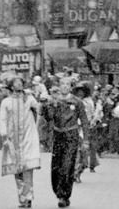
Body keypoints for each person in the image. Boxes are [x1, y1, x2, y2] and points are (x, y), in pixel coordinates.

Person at [0, 75, 42, 209]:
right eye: (16, 83)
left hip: (28, 136)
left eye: (21, 82)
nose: (19, 84)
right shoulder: (6, 102)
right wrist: (4, 135)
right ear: (11, 86)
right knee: (17, 168)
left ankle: (28, 197)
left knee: (28, 168)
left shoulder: (29, 98)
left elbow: (39, 109)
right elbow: (2, 119)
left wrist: (39, 97)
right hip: (13, 138)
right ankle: (22, 197)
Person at [49, 79, 91, 209]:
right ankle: (58, 191)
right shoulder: (54, 101)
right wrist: (46, 105)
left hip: (71, 136)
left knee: (67, 166)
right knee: (56, 167)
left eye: (67, 85)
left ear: (70, 87)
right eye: (62, 84)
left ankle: (64, 195)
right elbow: (48, 117)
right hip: (58, 136)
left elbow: (84, 120)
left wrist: (86, 140)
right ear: (59, 86)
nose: (65, 87)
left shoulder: (77, 102)